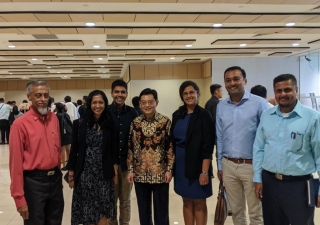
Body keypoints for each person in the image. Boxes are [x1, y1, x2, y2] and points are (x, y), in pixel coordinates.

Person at [253, 74, 320, 225]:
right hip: (270, 183)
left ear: (296, 90)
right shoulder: (267, 115)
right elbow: (259, 148)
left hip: (299, 186)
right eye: (279, 91)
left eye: (287, 90)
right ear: (274, 92)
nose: (283, 94)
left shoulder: (313, 118)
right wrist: (258, 178)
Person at [216, 66, 268, 225]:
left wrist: (261, 170)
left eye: (236, 79)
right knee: (237, 213)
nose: (232, 83)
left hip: (251, 166)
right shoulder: (221, 106)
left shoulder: (259, 104)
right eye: (228, 80)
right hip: (228, 165)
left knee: (256, 213)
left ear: (244, 81)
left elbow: (267, 137)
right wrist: (220, 165)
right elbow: (219, 137)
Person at [9, 80, 64, 225]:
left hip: (55, 181)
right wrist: (19, 197)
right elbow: (15, 164)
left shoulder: (54, 119)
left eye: (46, 95)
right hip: (34, 183)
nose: (43, 99)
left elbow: (57, 150)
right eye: (38, 95)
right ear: (29, 97)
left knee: (55, 221)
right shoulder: (20, 124)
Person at [67, 89, 117, 225]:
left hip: (104, 175)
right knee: (88, 213)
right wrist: (71, 175)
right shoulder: (79, 124)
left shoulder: (109, 123)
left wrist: (115, 172)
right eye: (94, 102)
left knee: (103, 213)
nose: (97, 105)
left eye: (101, 102)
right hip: (85, 175)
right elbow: (74, 151)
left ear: (105, 104)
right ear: (89, 104)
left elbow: (113, 150)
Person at [127, 88, 174, 225]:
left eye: (150, 102)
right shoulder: (135, 123)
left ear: (156, 102)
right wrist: (130, 169)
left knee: (161, 211)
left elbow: (169, 147)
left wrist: (169, 169)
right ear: (140, 104)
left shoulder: (165, 122)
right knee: (143, 210)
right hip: (140, 173)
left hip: (160, 173)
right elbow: (131, 147)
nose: (147, 105)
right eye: (144, 102)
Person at [171, 81, 215, 225]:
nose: (189, 95)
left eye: (191, 92)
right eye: (185, 93)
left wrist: (204, 171)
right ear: (181, 96)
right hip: (180, 166)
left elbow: (208, 146)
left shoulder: (204, 115)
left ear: (197, 93)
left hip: (198, 165)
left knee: (200, 201)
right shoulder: (177, 115)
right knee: (186, 200)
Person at [107, 80, 138, 225]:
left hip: (127, 164)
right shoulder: (105, 112)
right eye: (117, 92)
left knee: (125, 200)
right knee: (111, 200)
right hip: (109, 165)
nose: (120, 95)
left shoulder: (133, 113)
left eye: (123, 92)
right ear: (112, 93)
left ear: (126, 94)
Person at [55, 102, 72, 171]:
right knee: (68, 149)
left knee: (62, 150)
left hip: (61, 133)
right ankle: (69, 164)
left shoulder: (56, 115)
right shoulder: (66, 114)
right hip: (68, 132)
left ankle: (64, 165)